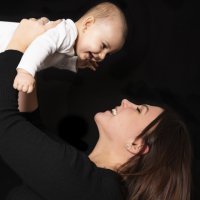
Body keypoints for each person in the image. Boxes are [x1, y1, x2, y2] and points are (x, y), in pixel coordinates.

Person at [0, 19, 192, 200]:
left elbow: (4, 124)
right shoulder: (93, 183)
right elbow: (30, 125)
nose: (127, 101)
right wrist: (30, 60)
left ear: (136, 145)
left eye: (140, 110)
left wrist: (19, 43)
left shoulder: (95, 189)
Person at [0, 1, 128, 93]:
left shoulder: (69, 42)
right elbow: (41, 46)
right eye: (103, 45)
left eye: (108, 54)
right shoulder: (66, 32)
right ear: (87, 24)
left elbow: (50, 58)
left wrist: (74, 63)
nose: (102, 56)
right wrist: (25, 72)